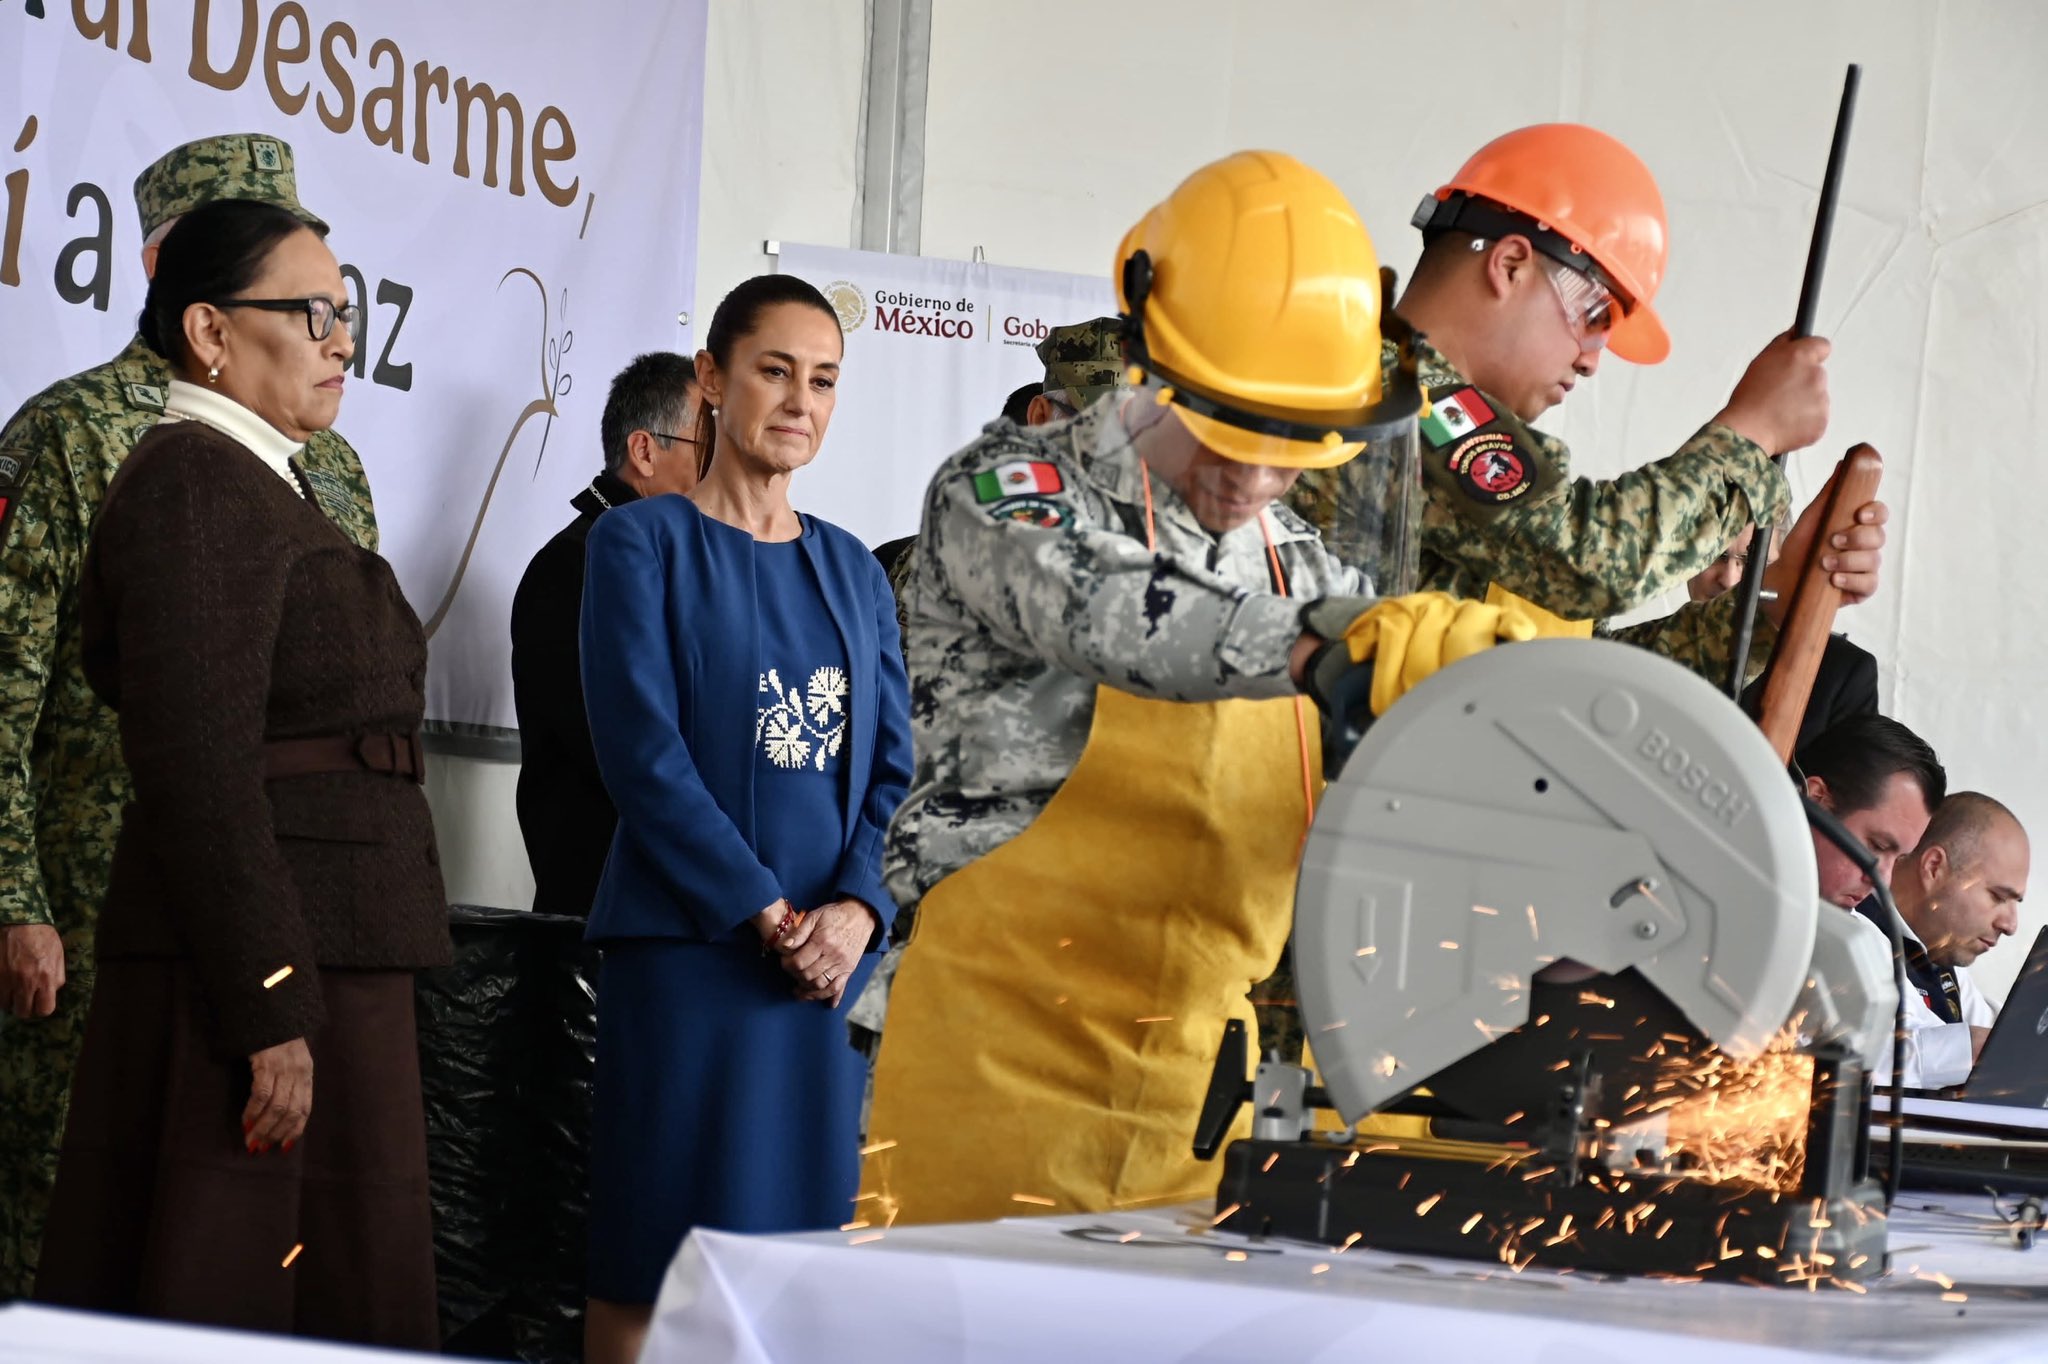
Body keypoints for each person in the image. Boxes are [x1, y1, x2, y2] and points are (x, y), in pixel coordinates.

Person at [858, 151, 1573, 1227]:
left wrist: (1491, 693)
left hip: (1187, 1112)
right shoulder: (1006, 493)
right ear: (1150, 363)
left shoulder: (1296, 565)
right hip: (970, 1078)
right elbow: (1120, 611)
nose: (1249, 481)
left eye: (1291, 453)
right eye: (1228, 434)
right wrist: (1329, 649)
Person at [33, 198, 446, 1347]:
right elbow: (196, 762)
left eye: (344, 313)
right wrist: (267, 1005)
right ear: (211, 332)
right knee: (229, 1296)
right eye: (310, 312)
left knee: (325, 1300)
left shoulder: (264, 477)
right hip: (261, 974)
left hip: (326, 944)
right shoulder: (191, 480)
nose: (341, 339)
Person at [577, 275, 911, 1364]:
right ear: (712, 380)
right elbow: (643, 756)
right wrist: (768, 914)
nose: (799, 400)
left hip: (824, 981)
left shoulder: (855, 570)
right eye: (774, 370)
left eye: (822, 380)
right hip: (691, 958)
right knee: (650, 1256)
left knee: (800, 1266)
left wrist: (856, 910)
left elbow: (897, 770)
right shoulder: (640, 545)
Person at [1288, 123, 1888, 685]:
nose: (1592, 360)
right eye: (1595, 319)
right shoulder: (1384, 389)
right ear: (1511, 265)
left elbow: (1575, 679)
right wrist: (1749, 433)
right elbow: (1594, 560)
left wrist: (1776, 604)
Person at [511, 352, 700, 919]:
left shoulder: (687, 565)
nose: (723, 467)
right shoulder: (568, 570)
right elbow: (620, 752)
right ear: (645, 451)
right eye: (706, 444)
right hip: (604, 911)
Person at [1857, 793, 2029, 1090]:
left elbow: (1993, 1036)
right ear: (1934, 867)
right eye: (1998, 897)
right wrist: (1969, 1050)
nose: (2010, 924)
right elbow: (1851, 1065)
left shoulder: (1944, 955)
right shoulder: (1852, 933)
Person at [1686, 523, 1881, 755]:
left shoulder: (1845, 673)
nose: (1729, 579)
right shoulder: (1648, 649)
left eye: (1752, 560)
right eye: (1715, 555)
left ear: (1786, 568)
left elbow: (1848, 787)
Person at [1797, 712, 1947, 911]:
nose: (1883, 881)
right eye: (1878, 845)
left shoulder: (1869, 938)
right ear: (1816, 799)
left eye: (1898, 859)